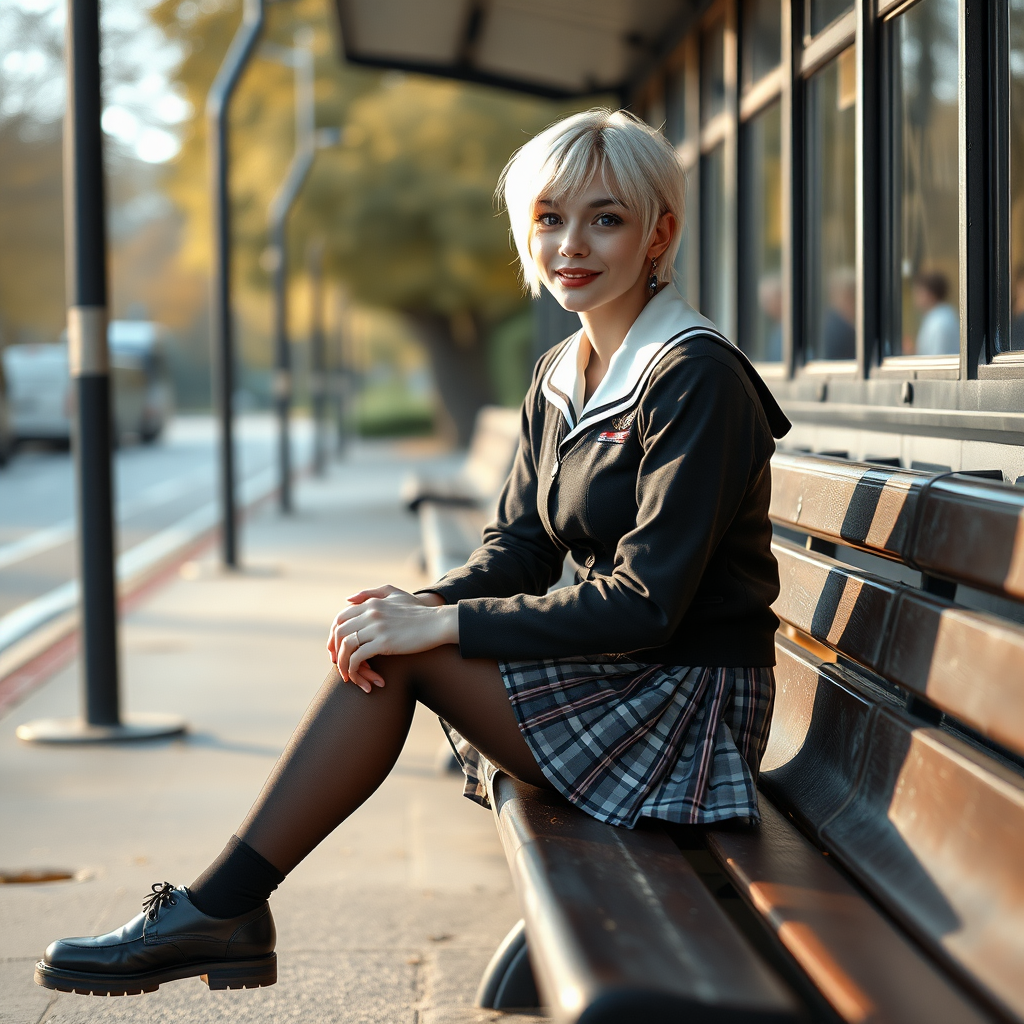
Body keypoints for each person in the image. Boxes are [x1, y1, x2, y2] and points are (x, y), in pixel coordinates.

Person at [34, 108, 790, 998]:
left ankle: (222, 909)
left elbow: (647, 604)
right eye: (549, 218)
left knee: (401, 663)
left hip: (684, 703)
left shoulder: (694, 373)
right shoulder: (561, 374)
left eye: (606, 217)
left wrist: (434, 628)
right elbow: (517, 546)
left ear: (659, 231)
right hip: (624, 673)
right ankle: (222, 911)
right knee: (390, 641)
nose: (570, 245)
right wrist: (420, 604)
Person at [912, 270, 959, 356]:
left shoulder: (939, 322)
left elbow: (937, 357)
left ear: (931, 294)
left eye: (920, 292)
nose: (916, 297)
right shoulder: (939, 316)